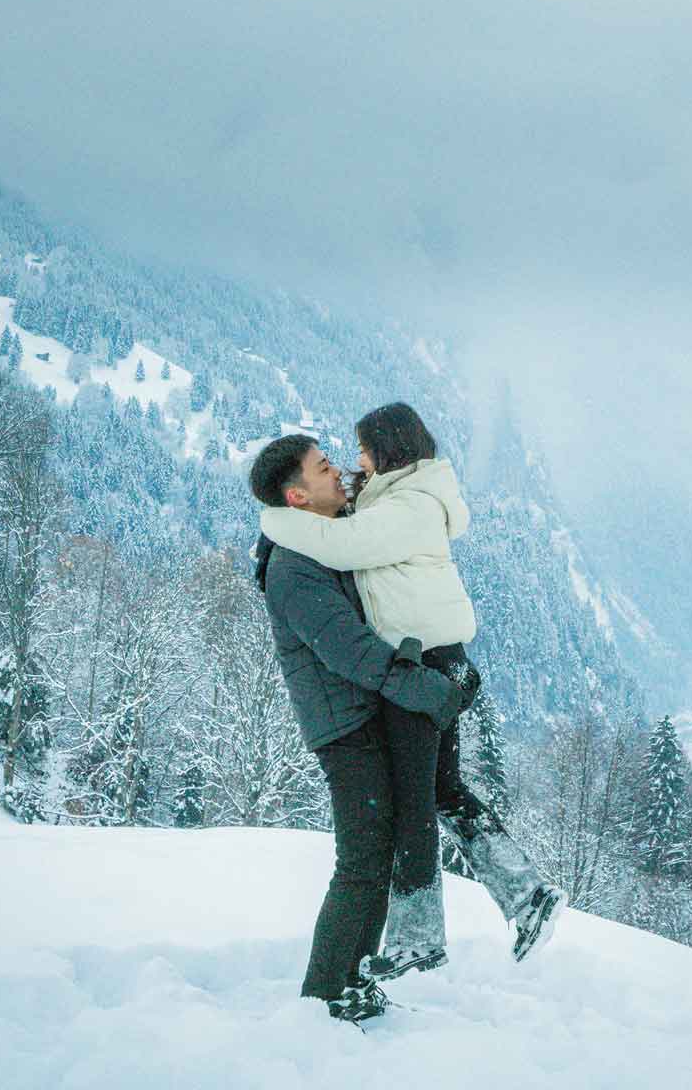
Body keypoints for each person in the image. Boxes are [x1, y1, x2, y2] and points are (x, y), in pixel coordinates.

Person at [259, 402, 566, 985]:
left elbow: (346, 545)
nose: (352, 466)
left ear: (390, 452)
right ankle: (526, 897)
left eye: (360, 453)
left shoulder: (402, 507)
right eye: (330, 464)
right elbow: (345, 619)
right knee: (436, 793)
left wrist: (276, 522)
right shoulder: (399, 500)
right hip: (411, 675)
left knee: (414, 806)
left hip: (420, 668)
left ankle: (418, 941)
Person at [250, 432, 465, 1023]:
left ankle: (354, 981)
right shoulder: (293, 568)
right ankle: (324, 995)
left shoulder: (327, 541)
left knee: (381, 850)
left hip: (364, 715)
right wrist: (425, 691)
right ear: (297, 496)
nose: (339, 472)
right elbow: (353, 653)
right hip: (343, 729)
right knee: (362, 860)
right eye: (323, 468)